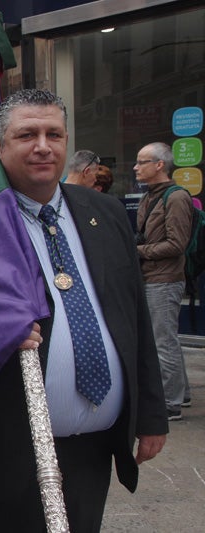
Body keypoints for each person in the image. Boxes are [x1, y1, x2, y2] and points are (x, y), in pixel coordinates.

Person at [0, 89, 167, 532]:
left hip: (93, 452)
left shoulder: (106, 212)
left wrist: (152, 414)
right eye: (27, 134)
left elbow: (133, 315)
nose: (43, 145)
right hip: (3, 452)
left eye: (53, 134)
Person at [135, 142, 193, 421]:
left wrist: (138, 251)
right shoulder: (149, 196)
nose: (136, 167)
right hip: (150, 275)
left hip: (165, 278)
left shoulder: (177, 197)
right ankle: (182, 393)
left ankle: (170, 403)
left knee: (162, 341)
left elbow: (176, 244)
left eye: (142, 161)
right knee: (166, 337)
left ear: (159, 165)